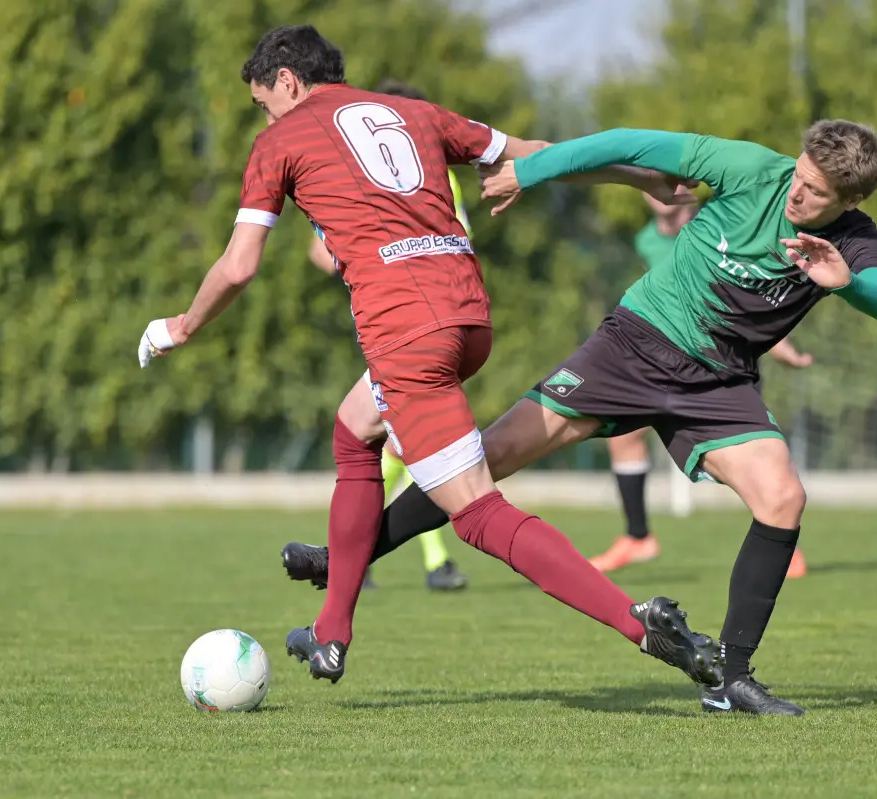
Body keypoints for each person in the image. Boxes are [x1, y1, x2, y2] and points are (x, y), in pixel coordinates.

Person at [138, 25, 722, 693]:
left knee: (475, 511)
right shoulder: (415, 113)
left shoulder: (280, 141)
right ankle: (331, 633)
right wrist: (638, 175)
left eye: (261, 100)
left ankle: (641, 623)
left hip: (405, 333)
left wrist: (182, 325)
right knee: (354, 428)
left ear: (289, 82)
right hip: (467, 317)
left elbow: (239, 267)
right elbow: (534, 154)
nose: (261, 114)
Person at [282, 120, 877, 715]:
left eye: (816, 191)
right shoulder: (750, 168)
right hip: (635, 345)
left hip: (719, 381)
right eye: (799, 175)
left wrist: (845, 279)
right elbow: (628, 142)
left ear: (848, 199)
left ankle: (732, 680)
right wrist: (528, 172)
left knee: (783, 498)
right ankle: (346, 562)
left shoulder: (853, 241)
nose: (796, 191)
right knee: (486, 460)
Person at [303, 80, 474, 593]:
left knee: (405, 447)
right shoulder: (389, 175)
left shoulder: (374, 172)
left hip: (415, 318)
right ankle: (388, 555)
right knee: (411, 447)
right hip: (409, 319)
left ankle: (367, 552)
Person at [591, 190, 814, 579]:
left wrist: (781, 347)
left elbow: (748, 292)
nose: (654, 192)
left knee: (750, 462)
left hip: (719, 366)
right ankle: (638, 536)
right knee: (621, 434)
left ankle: (782, 538)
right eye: (647, 185)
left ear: (685, 190)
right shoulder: (647, 238)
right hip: (663, 360)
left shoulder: (716, 228)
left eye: (663, 182)